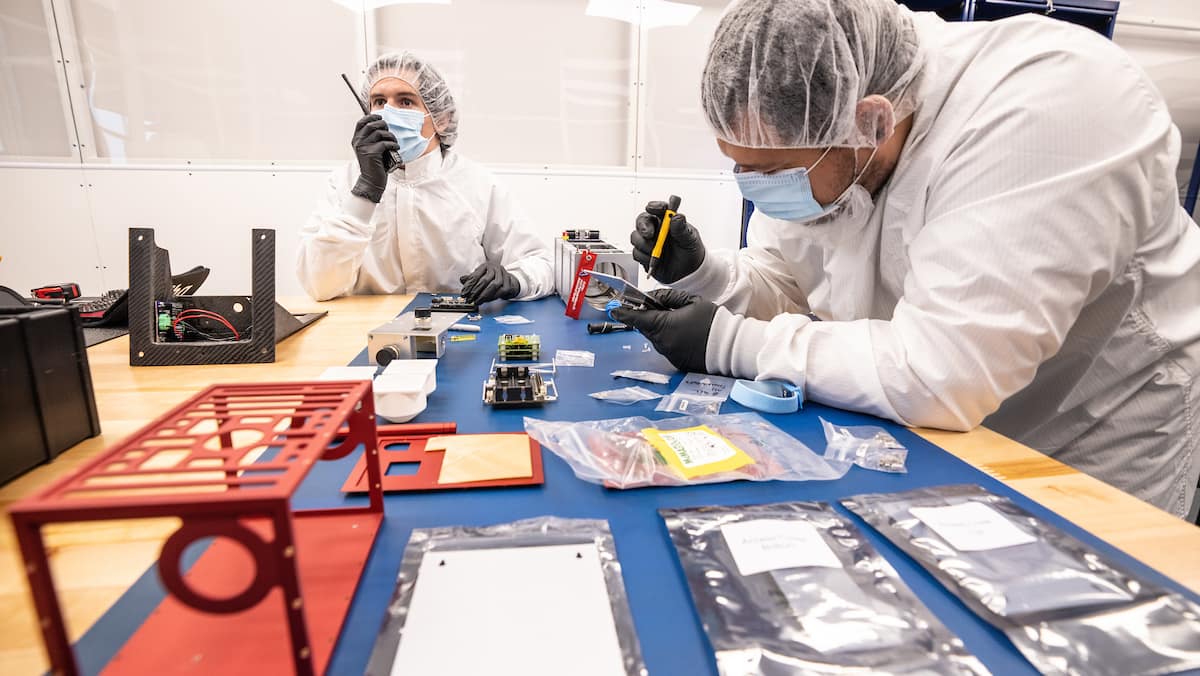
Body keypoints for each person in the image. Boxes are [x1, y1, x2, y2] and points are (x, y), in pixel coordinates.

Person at [613, 0, 1200, 519]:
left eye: (769, 172)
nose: (754, 187)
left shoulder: (1044, 103)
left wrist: (727, 343)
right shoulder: (826, 138)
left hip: (1089, 424)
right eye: (740, 166)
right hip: (933, 425)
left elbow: (945, 370)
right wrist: (705, 275)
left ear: (870, 122)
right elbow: (788, 284)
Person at [297, 52, 554, 305]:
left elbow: (541, 265)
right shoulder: (343, 183)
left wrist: (513, 280)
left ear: (441, 118)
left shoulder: (478, 185)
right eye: (378, 101)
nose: (388, 113)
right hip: (364, 334)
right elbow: (318, 285)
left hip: (457, 331)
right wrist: (366, 191)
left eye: (405, 101)